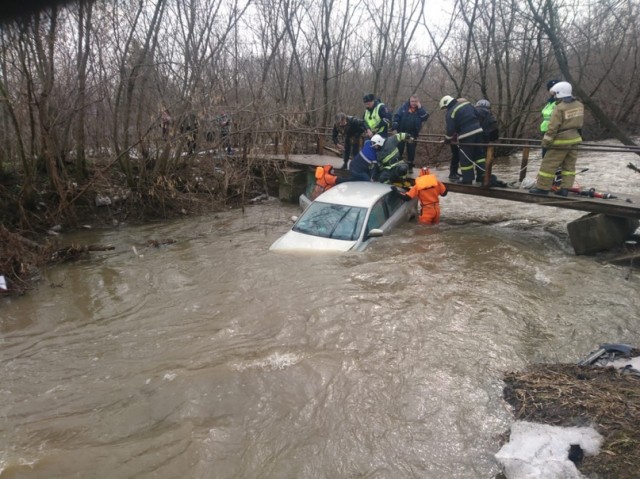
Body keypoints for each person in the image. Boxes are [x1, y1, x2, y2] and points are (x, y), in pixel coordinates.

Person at [530, 81, 584, 196]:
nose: (554, 96)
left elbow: (553, 127)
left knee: (548, 165)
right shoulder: (579, 105)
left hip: (560, 141)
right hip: (574, 139)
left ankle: (542, 188)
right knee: (569, 166)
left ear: (560, 93)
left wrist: (546, 142)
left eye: (555, 94)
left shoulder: (559, 108)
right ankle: (565, 189)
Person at [440, 95, 486, 184]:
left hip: (466, 135)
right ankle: (482, 177)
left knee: (465, 158)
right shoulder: (467, 104)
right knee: (479, 156)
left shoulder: (451, 112)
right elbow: (479, 115)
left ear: (446, 104)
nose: (445, 109)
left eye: (445, 107)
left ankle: (467, 179)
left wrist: (447, 140)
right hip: (479, 131)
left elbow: (450, 130)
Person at [392, 95, 429, 169]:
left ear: (418, 102)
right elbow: (396, 117)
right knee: (399, 149)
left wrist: (420, 108)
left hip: (412, 133)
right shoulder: (403, 107)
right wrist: (394, 128)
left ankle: (410, 166)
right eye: (412, 101)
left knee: (411, 150)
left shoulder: (420, 109)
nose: (413, 103)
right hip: (401, 132)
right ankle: (398, 165)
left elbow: (425, 117)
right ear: (409, 101)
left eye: (415, 101)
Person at [541, 79, 560, 157]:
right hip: (546, 131)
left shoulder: (560, 101)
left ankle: (557, 168)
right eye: (551, 88)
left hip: (554, 131)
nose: (552, 89)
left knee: (551, 155)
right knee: (545, 154)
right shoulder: (549, 102)